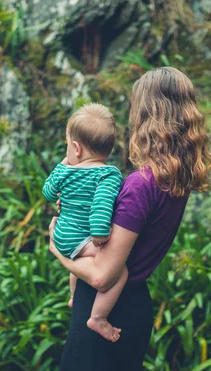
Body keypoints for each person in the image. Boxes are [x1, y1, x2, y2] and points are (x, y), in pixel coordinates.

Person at [49, 67, 211, 371]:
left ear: (146, 114)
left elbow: (102, 275)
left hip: (107, 309)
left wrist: (57, 250)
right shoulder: (175, 180)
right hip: (133, 309)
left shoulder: (141, 184)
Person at [42, 103, 128, 342]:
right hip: (80, 238)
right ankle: (98, 318)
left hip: (61, 234)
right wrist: (100, 236)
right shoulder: (107, 175)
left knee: (80, 261)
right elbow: (101, 209)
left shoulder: (65, 171)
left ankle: (73, 297)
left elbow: (48, 193)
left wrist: (62, 166)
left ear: (76, 148)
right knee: (120, 271)